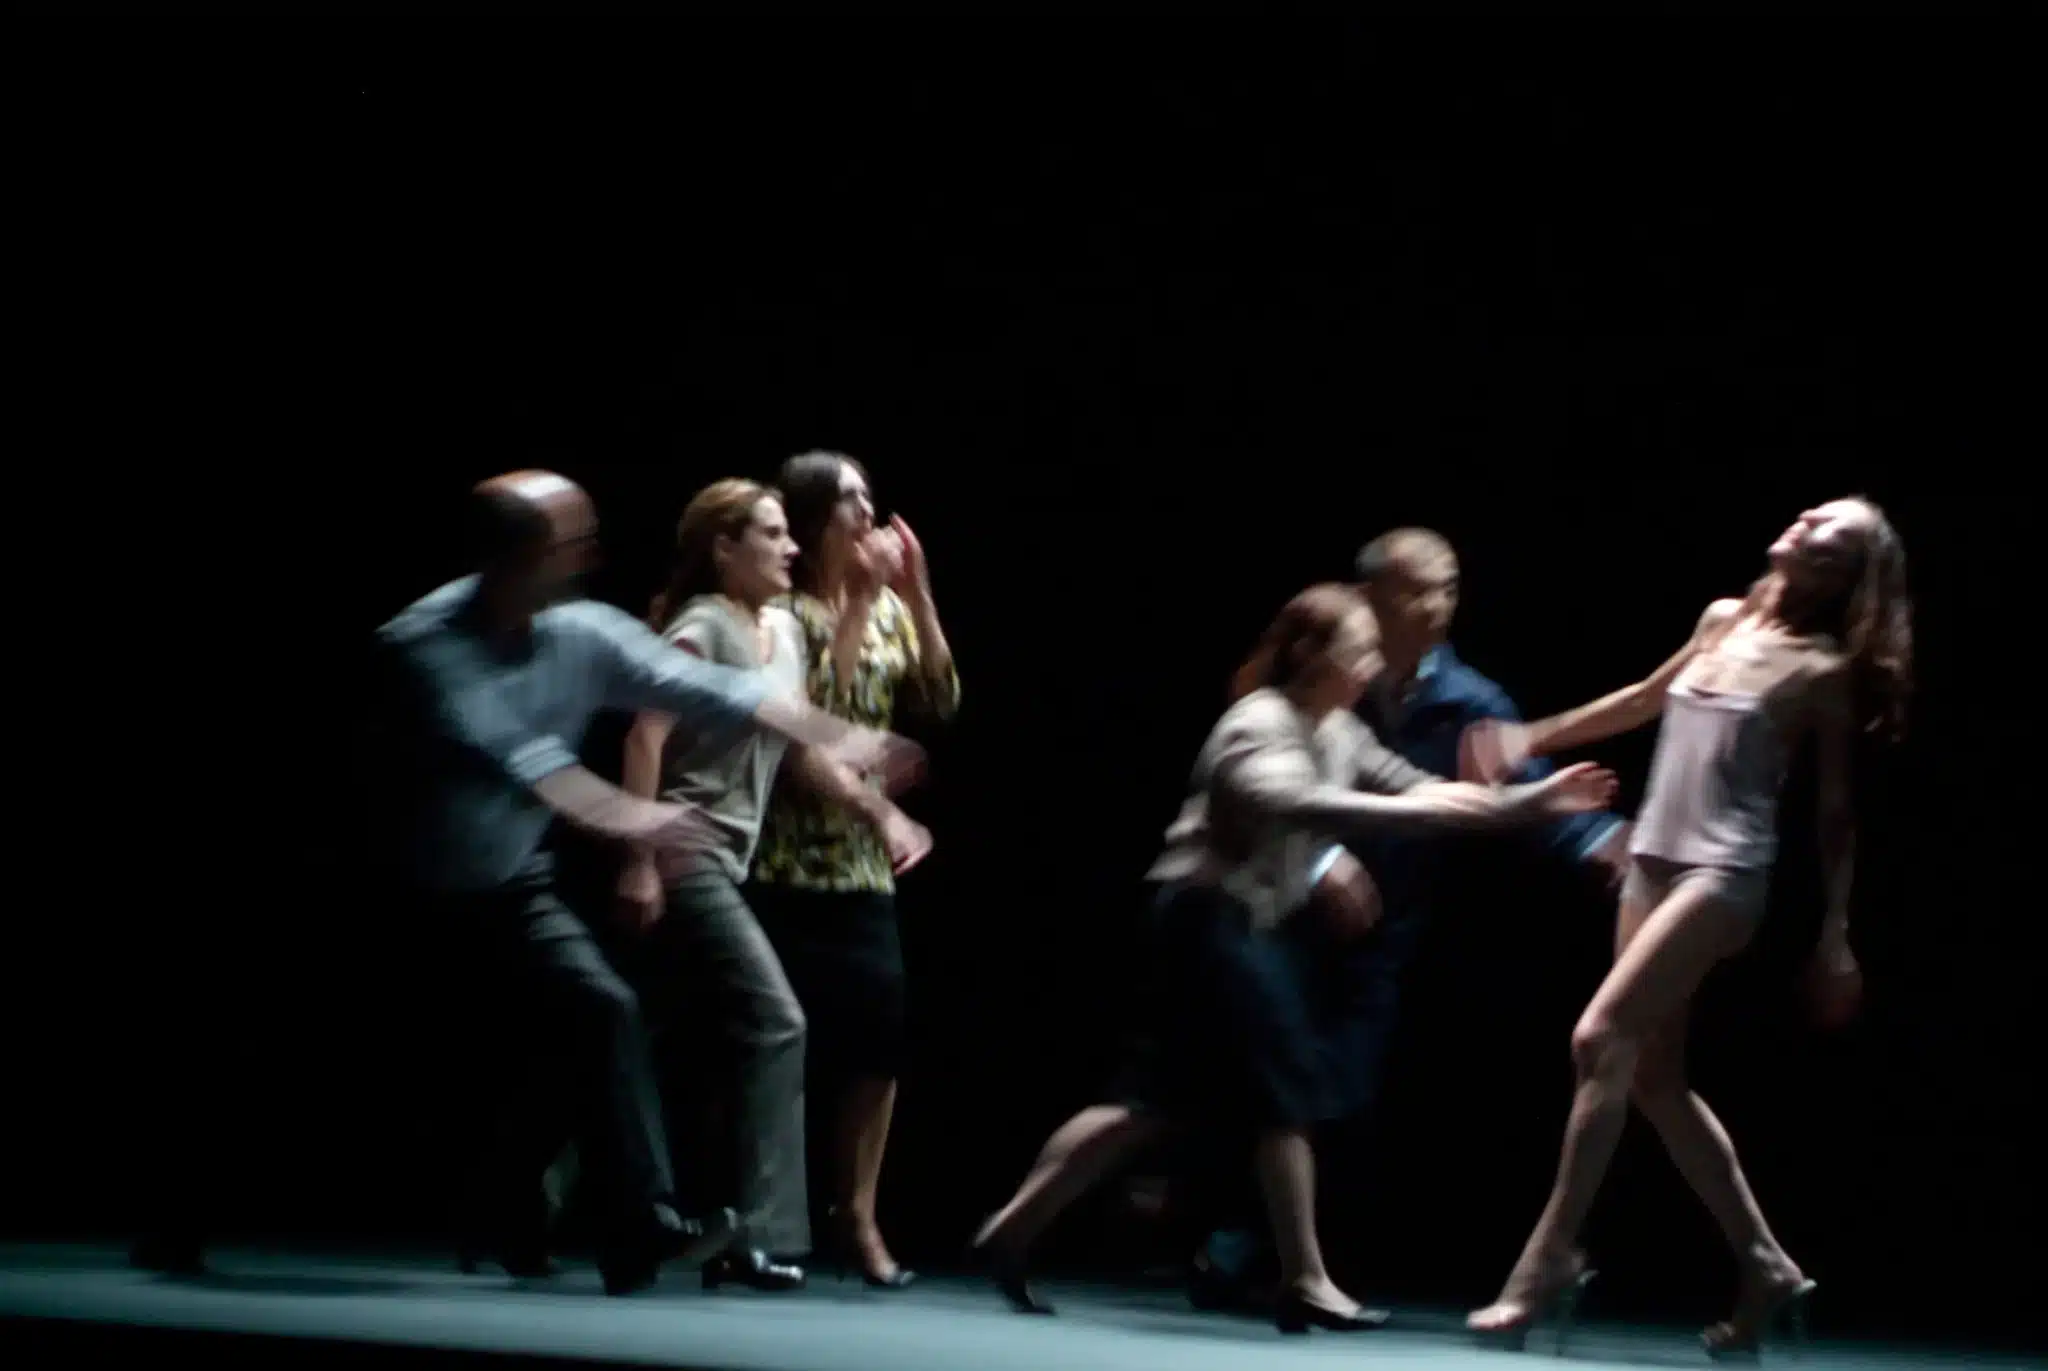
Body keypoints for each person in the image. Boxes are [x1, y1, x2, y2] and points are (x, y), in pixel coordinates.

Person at [969, 585, 1620, 1334]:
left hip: (1238, 920)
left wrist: (1524, 806)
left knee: (1150, 1099)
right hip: (1205, 917)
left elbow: (1424, 793)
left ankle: (1011, 1228)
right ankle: (1307, 1278)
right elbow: (1307, 806)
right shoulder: (1258, 724)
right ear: (1313, 654)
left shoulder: (1339, 729)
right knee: (1286, 1086)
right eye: (1360, 649)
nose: (1374, 665)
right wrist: (1480, 811)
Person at [372, 470, 923, 1298]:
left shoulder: (580, 630)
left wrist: (844, 734)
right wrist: (633, 825)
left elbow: (710, 690)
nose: (593, 553)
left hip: (511, 879)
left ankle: (637, 1230)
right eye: (573, 540)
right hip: (405, 882)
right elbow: (522, 758)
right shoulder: (422, 643)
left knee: (607, 1012)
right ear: (521, 554)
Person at [1459, 497, 1911, 1357]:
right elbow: (1643, 699)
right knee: (1655, 1079)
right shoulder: (1723, 618)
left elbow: (1836, 813)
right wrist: (1529, 738)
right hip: (1656, 861)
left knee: (1599, 1038)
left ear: (1837, 573)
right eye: (1814, 512)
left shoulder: (1820, 668)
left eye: (1829, 531)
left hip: (1725, 875)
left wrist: (1836, 933)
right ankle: (1765, 1262)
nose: (1806, 519)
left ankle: (1545, 1260)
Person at [1186, 527, 1631, 1311]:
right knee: (1247, 1079)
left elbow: (1466, 786)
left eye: (1450, 586)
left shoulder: (1468, 700)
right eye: (1417, 587)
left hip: (1386, 925)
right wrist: (1326, 860)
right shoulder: (1302, 687)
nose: (1437, 604)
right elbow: (1267, 793)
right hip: (1275, 908)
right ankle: (1248, 1247)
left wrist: (1583, 831)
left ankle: (1280, 1252)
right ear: (1369, 596)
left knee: (1334, 1085)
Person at [616, 478, 934, 1292]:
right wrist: (640, 856)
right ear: (724, 549)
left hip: (733, 857)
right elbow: (644, 736)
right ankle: (758, 1234)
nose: (790, 546)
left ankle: (545, 1200)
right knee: (776, 1018)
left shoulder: (779, 636)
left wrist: (874, 791)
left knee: (648, 1035)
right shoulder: (703, 627)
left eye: (790, 532)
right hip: (687, 848)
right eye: (770, 533)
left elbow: (795, 738)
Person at [746, 450, 955, 1288]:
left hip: (863, 867)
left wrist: (917, 594)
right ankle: (757, 1217)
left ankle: (857, 1214)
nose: (869, 512)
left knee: (879, 1041)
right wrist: (861, 600)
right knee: (770, 1045)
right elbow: (814, 726)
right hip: (788, 854)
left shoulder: (891, 612)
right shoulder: (785, 615)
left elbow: (941, 700)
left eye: (872, 494)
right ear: (813, 517)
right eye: (851, 499)